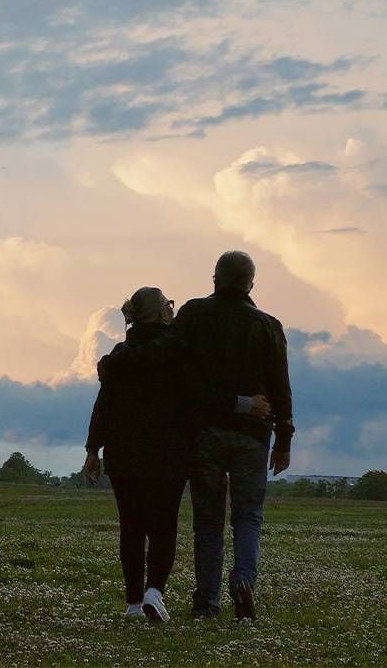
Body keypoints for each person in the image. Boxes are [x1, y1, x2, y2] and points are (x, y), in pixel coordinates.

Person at [99, 251, 294, 621]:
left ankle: (206, 602)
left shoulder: (194, 314)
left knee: (208, 520)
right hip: (253, 436)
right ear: (251, 283)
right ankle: (243, 578)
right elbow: (281, 389)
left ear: (215, 279)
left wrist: (115, 361)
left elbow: (161, 350)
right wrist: (284, 437)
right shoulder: (270, 325)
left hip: (206, 434)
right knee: (248, 516)